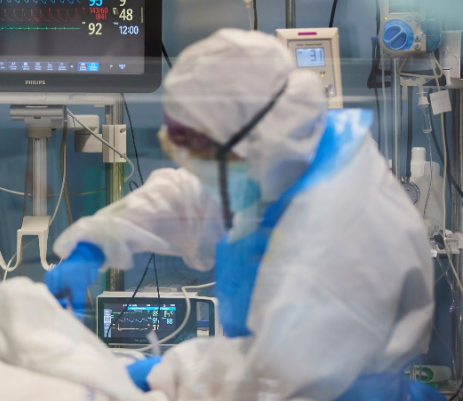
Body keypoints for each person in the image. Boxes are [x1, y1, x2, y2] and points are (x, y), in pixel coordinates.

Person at [45, 29, 442, 401]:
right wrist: (96, 242)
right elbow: (190, 196)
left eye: (196, 145)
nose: (189, 161)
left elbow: (274, 377)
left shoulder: (341, 230)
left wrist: (161, 372)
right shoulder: (287, 159)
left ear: (250, 137)